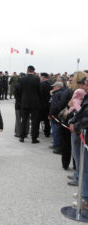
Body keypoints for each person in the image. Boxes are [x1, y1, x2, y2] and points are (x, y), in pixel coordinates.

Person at [69, 77, 88, 210]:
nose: (84, 86)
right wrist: (73, 121)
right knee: (84, 167)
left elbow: (86, 115)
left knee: (86, 168)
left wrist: (76, 126)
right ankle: (84, 194)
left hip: (84, 133)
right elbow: (82, 112)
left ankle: (86, 200)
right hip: (82, 130)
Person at [17, 65, 41, 144]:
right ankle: (34, 138)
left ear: (27, 71)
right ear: (34, 71)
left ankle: (22, 137)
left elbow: (20, 91)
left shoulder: (22, 79)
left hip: (24, 103)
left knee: (24, 120)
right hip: (34, 103)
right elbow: (39, 91)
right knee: (34, 121)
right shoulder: (37, 79)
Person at [49, 82, 64, 153]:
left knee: (55, 130)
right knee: (58, 130)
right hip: (60, 115)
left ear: (58, 87)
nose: (53, 88)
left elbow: (53, 106)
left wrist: (50, 114)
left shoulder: (56, 94)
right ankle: (58, 143)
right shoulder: (64, 92)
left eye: (54, 87)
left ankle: (56, 144)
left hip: (55, 115)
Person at [39, 73, 52, 137]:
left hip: (42, 104)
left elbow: (40, 94)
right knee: (47, 119)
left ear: (43, 77)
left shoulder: (42, 84)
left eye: (41, 77)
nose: (40, 78)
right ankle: (47, 132)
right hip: (49, 104)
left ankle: (37, 132)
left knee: (38, 119)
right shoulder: (51, 84)